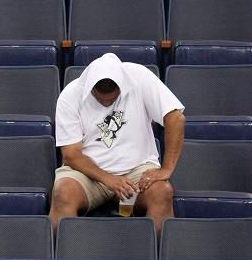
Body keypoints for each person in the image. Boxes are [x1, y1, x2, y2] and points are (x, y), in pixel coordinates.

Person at [50, 53, 185, 234]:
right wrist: (109, 179)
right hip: (88, 173)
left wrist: (167, 169)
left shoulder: (140, 77)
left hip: (136, 170)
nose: (106, 103)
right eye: (100, 99)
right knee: (63, 194)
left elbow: (176, 118)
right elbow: (72, 155)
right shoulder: (70, 94)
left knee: (162, 192)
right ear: (90, 89)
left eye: (111, 99)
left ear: (122, 88)